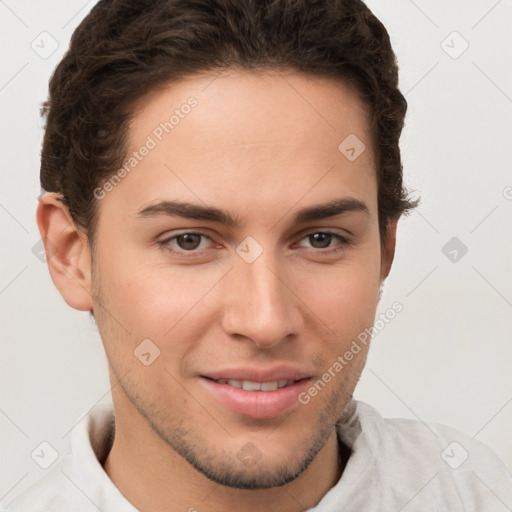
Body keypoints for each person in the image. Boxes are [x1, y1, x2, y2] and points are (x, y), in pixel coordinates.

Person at [5, 0, 511, 510]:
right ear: (71, 255)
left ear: (385, 250)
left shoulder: (477, 491)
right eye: (189, 241)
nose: (265, 321)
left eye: (321, 239)